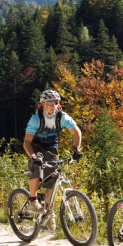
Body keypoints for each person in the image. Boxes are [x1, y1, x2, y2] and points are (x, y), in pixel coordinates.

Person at [23, 89, 83, 232]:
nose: (54, 105)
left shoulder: (62, 117)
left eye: (56, 103)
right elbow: (26, 142)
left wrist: (77, 149)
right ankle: (33, 201)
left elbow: (77, 131)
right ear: (43, 104)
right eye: (50, 103)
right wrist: (33, 157)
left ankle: (48, 212)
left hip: (51, 148)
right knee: (36, 167)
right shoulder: (36, 119)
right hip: (36, 147)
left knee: (54, 177)